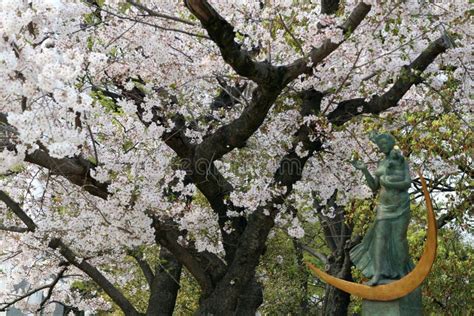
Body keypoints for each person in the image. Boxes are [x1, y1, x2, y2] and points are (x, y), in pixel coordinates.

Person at [350, 133, 414, 286]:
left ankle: (401, 272)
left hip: (401, 205)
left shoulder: (400, 160)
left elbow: (407, 183)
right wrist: (364, 170)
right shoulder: (380, 163)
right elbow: (374, 186)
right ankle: (378, 274)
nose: (383, 145)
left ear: (391, 143)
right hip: (384, 207)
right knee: (380, 240)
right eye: (381, 143)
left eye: (386, 142)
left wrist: (390, 184)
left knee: (399, 239)